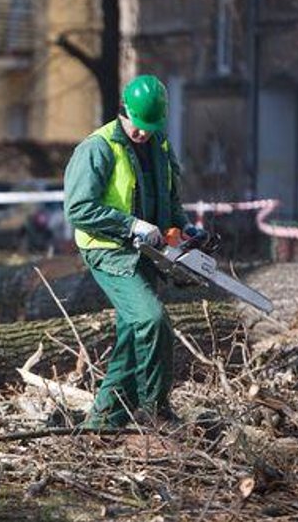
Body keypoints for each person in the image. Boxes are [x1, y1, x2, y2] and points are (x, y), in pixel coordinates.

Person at [63, 74, 201, 430]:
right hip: (108, 250)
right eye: (137, 126)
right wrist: (131, 225)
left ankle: (104, 421)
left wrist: (182, 228)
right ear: (123, 111)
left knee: (132, 332)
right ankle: (155, 410)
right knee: (150, 320)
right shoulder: (98, 148)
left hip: (147, 251)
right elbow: (78, 209)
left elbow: (169, 198)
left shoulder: (161, 146)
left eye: (149, 127)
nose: (142, 134)